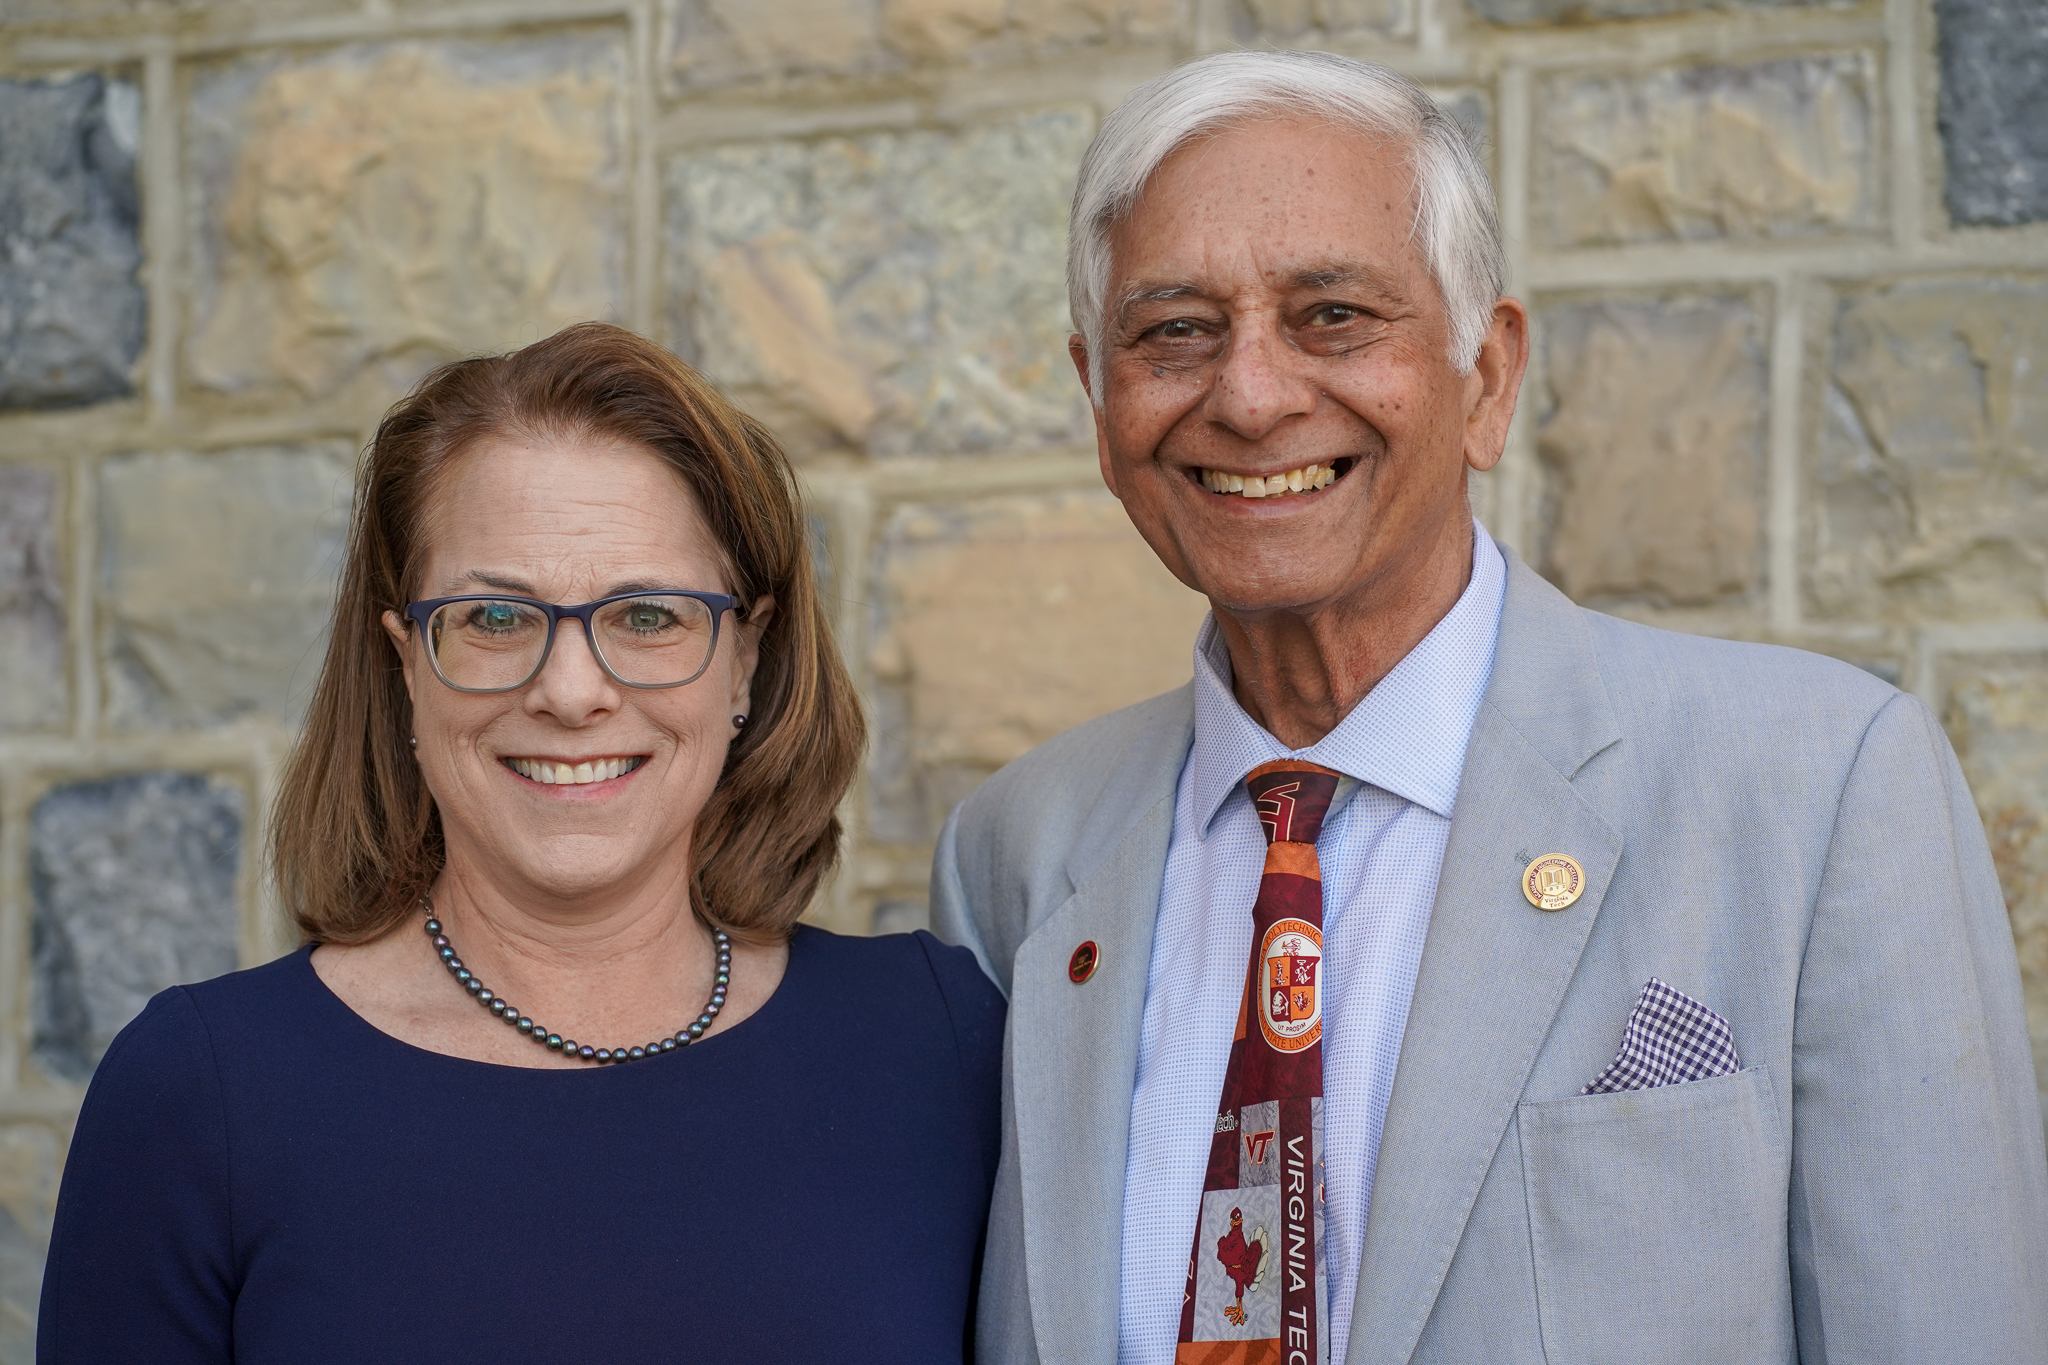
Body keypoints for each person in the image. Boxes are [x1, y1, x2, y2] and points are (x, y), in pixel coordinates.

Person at [932, 49, 2048, 1365]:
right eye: (1173, 329)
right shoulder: (1015, 856)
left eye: (1334, 315)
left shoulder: (1820, 788)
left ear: (1489, 376)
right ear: (1097, 393)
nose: (1250, 393)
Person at [40, 322, 1004, 1362]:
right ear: (406, 663)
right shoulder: (202, 1097)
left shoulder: (936, 1047)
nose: (570, 691)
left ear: (745, 660)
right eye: (494, 618)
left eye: (647, 615)